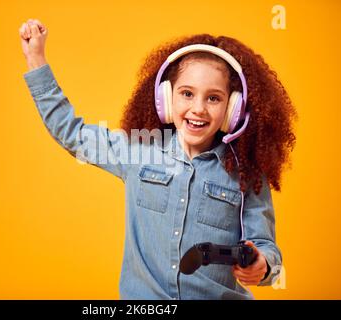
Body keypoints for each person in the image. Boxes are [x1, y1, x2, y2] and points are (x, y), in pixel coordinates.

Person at [19, 18, 297, 300]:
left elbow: (265, 246)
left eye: (213, 98)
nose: (198, 109)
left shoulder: (246, 173)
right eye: (187, 94)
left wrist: (263, 265)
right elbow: (73, 133)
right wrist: (36, 59)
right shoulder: (139, 150)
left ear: (232, 109)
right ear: (166, 98)